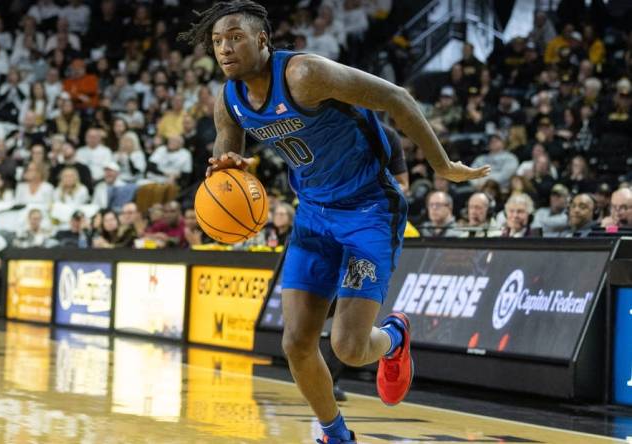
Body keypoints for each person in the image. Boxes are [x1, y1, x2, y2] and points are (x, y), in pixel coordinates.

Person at [179, 3, 490, 442]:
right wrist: (230, 169)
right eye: (217, 42)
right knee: (295, 343)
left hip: (369, 210)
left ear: (263, 40)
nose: (225, 48)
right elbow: (229, 157)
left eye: (235, 37)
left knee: (350, 347)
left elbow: (397, 98)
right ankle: (335, 434)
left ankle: (395, 337)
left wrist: (443, 166)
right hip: (313, 215)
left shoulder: (305, 76)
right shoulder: (228, 101)